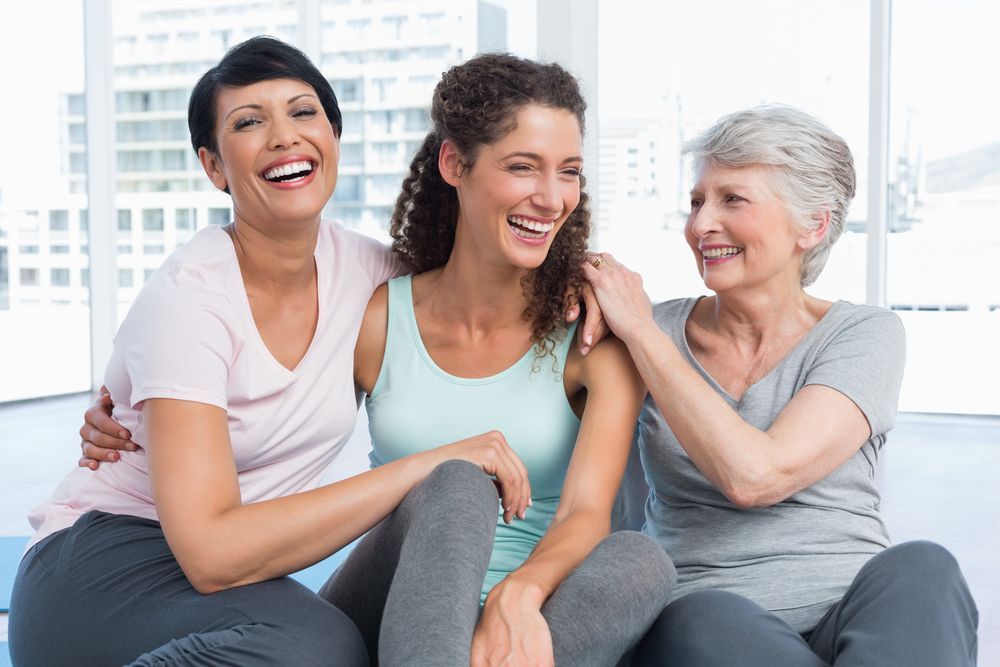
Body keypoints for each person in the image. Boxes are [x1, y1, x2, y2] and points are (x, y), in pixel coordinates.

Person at [48, 43, 675, 666]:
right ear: (213, 167)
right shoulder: (357, 311)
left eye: (302, 113)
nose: (549, 196)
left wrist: (597, 279)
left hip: (506, 610)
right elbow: (206, 522)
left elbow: (586, 508)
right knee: (453, 486)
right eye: (248, 121)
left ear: (333, 135)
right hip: (145, 564)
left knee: (640, 559)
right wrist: (121, 409)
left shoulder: (373, 279)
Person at [581, 105, 979, 666]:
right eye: (697, 201)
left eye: (732, 200)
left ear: (813, 225)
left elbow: (758, 475)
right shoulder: (642, 331)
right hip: (708, 627)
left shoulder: (864, 334)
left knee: (925, 570)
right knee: (704, 616)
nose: (700, 225)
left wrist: (643, 334)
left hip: (852, 616)